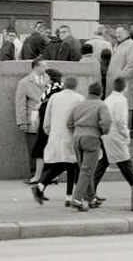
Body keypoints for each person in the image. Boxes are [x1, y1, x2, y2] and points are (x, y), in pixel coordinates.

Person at [31, 74, 82, 207]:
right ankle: (68, 196)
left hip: (55, 135)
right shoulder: (79, 98)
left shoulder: (54, 97)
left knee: (59, 165)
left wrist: (48, 131)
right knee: (72, 165)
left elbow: (47, 119)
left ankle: (42, 186)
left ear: (64, 85)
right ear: (76, 86)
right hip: (70, 136)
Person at [67, 81, 111, 211]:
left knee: (85, 170)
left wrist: (76, 132)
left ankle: (92, 199)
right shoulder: (101, 105)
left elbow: (69, 123)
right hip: (91, 138)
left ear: (88, 92)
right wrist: (103, 132)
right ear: (101, 93)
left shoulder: (79, 105)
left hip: (77, 138)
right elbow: (106, 122)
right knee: (87, 170)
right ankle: (77, 198)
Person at [15, 58, 49, 182]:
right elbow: (20, 103)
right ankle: (34, 173)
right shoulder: (24, 82)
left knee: (46, 147)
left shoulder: (48, 80)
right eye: (43, 66)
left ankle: (47, 174)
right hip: (32, 119)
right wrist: (22, 122)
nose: (46, 69)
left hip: (47, 119)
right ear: (35, 67)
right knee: (33, 148)